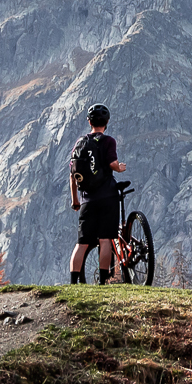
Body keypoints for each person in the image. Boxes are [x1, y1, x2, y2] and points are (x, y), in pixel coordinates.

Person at [68, 103, 127, 284]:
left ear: (89, 122)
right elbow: (112, 164)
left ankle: (73, 282)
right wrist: (120, 168)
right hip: (108, 196)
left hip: (87, 199)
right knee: (105, 239)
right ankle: (102, 282)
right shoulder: (109, 141)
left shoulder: (80, 143)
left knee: (82, 243)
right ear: (106, 122)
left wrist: (75, 200)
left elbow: (73, 175)